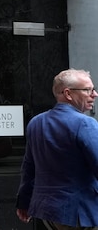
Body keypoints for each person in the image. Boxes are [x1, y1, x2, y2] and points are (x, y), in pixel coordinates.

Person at [16, 68, 98, 229]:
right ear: (68, 93)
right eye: (88, 90)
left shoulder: (36, 123)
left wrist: (24, 202)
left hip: (47, 212)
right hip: (80, 212)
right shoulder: (85, 124)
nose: (94, 94)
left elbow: (29, 168)